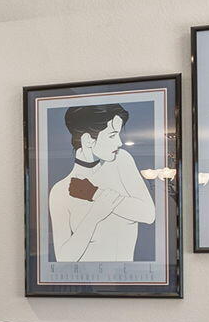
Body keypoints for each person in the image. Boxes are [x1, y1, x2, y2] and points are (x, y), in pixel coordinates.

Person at [47, 102, 156, 262]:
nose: (119, 142)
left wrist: (95, 194)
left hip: (127, 281)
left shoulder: (122, 161)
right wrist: (94, 216)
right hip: (84, 283)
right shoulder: (60, 191)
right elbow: (64, 257)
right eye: (112, 135)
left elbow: (148, 214)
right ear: (88, 140)